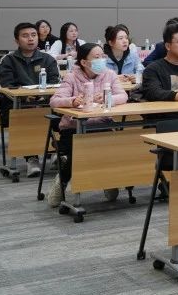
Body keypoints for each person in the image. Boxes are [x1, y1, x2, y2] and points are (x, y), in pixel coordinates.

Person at [47, 42, 127, 207]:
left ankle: (109, 181)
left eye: (103, 56)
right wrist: (73, 101)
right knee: (79, 151)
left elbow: (123, 96)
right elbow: (54, 101)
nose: (102, 60)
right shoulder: (71, 77)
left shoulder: (109, 74)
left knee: (114, 147)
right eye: (97, 57)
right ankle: (61, 182)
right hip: (73, 128)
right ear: (84, 62)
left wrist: (107, 98)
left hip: (101, 125)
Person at [0, 22, 61, 176]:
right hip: (17, 105)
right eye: (25, 36)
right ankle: (31, 158)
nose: (30, 39)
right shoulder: (8, 60)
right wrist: (24, 97)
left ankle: (56, 151)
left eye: (33, 35)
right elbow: (4, 85)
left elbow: (56, 83)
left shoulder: (48, 59)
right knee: (27, 115)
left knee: (61, 114)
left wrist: (43, 96)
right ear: (17, 40)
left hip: (45, 102)